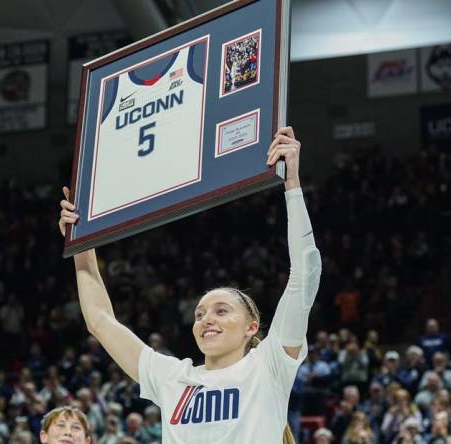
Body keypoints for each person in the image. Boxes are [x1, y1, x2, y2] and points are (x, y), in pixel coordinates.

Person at [58, 127, 321, 444]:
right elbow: (99, 320)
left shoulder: (269, 365)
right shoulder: (173, 377)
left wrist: (291, 183)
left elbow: (305, 274)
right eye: (199, 314)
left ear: (251, 327)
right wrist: (82, 243)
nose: (206, 319)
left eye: (221, 311)